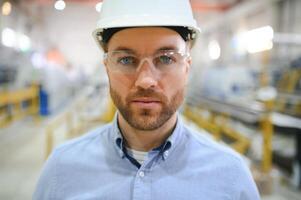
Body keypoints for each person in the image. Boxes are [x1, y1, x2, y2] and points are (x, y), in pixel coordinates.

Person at [33, 0, 260, 199]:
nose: (145, 80)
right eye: (125, 60)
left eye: (165, 58)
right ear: (107, 68)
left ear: (187, 67)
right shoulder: (61, 172)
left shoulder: (231, 178)